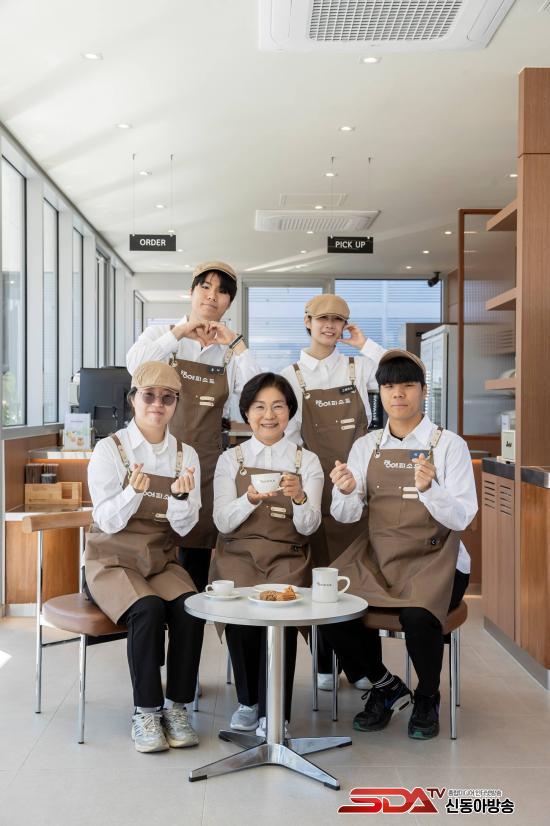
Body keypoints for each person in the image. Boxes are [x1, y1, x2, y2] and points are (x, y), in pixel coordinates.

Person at [322, 349, 477, 740]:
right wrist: (346, 490)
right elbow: (346, 515)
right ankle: (384, 685)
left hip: (437, 559)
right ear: (381, 392)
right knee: (328, 606)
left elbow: (462, 518)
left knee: (418, 616)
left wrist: (430, 489)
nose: (398, 394)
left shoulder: (449, 445)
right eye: (389, 386)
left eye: (407, 385)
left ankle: (427, 697)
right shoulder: (366, 446)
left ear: (423, 390)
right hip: (379, 556)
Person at [85, 361, 204, 753]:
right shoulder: (110, 450)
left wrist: (180, 498)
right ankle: (146, 711)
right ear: (133, 399)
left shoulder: (186, 456)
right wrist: (133, 492)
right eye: (149, 396)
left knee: (191, 608)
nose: (158, 404)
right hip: (111, 560)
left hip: (158, 559)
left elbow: (185, 528)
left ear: (176, 404)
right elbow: (106, 519)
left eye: (167, 398)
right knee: (148, 609)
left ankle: (178, 708)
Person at [127, 261, 260, 593]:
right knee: (149, 546)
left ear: (229, 302)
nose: (212, 296)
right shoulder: (161, 336)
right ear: (191, 292)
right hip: (154, 462)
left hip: (203, 467)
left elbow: (257, 394)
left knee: (194, 560)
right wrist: (179, 333)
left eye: (222, 292)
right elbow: (136, 366)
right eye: (206, 287)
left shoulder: (229, 351)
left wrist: (238, 345)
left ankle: (191, 618)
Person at [280, 293, 385, 690]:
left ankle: (365, 667)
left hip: (357, 486)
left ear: (346, 326)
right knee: (320, 577)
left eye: (338, 320)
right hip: (314, 486)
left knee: (361, 578)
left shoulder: (360, 367)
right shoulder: (291, 376)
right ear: (307, 321)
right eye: (322, 318)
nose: (329, 325)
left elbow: (404, 371)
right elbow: (288, 438)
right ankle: (325, 662)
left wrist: (365, 344)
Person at [212, 372, 324, 735]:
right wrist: (249, 499)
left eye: (278, 406)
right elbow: (222, 521)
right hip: (237, 553)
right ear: (247, 413)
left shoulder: (307, 462)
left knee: (282, 615)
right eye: (259, 407)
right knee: (238, 607)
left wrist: (300, 498)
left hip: (288, 556)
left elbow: (309, 528)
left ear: (290, 411)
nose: (269, 415)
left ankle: (277, 715)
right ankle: (248, 701)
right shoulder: (231, 459)